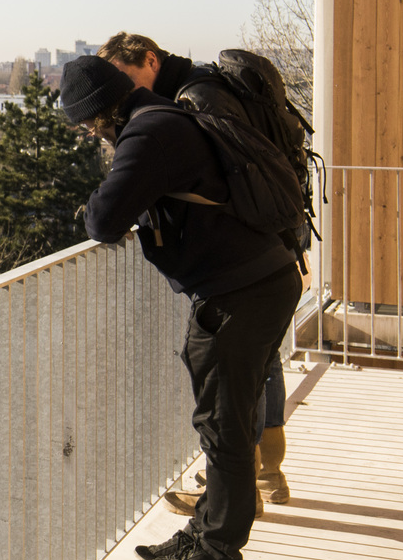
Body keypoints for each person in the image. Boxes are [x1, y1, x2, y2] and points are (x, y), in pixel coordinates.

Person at [60, 54, 300, 560]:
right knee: (225, 420)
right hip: (259, 282)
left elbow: (102, 219)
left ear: (98, 117)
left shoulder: (148, 136)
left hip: (239, 293)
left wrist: (98, 201)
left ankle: (217, 551)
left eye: (86, 126)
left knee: (223, 425)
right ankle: (206, 529)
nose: (89, 136)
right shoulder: (167, 116)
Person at [99, 33, 291, 507]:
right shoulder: (202, 87)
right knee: (257, 364)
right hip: (270, 233)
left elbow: (229, 168)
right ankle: (263, 476)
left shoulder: (193, 98)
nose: (121, 97)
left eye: (124, 81)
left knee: (237, 378)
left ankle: (238, 489)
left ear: (150, 60)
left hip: (248, 245)